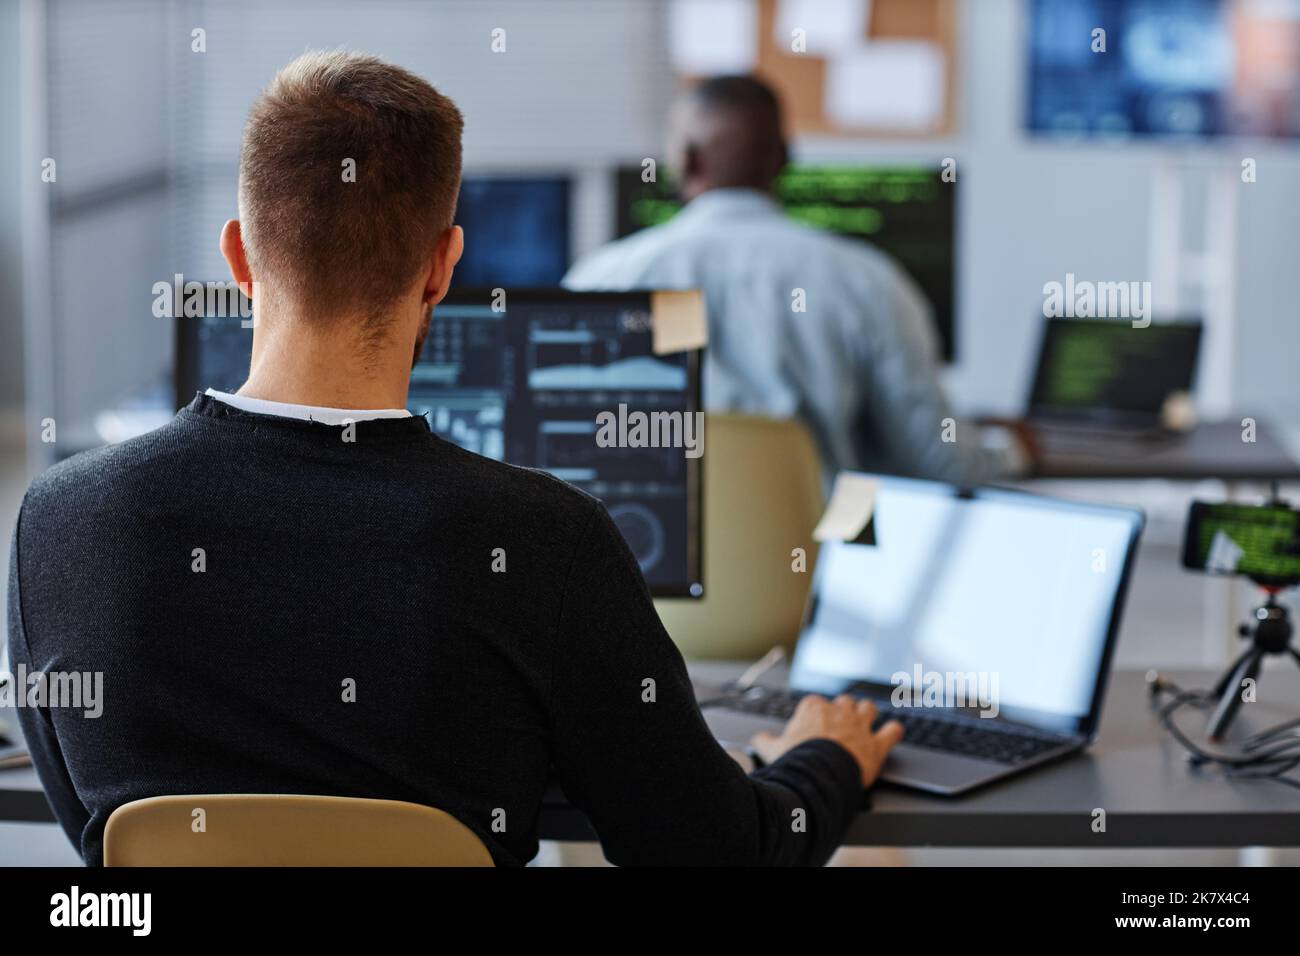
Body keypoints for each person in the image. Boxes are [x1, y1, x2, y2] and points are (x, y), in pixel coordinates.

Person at [7, 51, 901, 867]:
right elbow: (719, 857)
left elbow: (92, 822)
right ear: (442, 267)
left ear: (238, 257)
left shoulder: (63, 520)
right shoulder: (545, 543)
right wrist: (822, 758)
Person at [565, 75, 1033, 482]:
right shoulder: (867, 281)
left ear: (685, 159)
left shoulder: (598, 281)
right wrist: (1014, 449)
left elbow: (558, 452)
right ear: (785, 159)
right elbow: (938, 462)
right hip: (817, 556)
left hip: (641, 556)